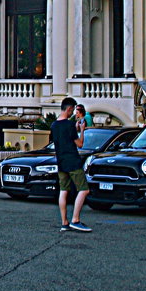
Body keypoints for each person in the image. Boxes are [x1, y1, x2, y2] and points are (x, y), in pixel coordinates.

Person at [52, 96, 90, 232]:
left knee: (64, 191)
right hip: (73, 161)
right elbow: (79, 144)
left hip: (61, 161)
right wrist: (82, 130)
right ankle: (75, 219)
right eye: (72, 110)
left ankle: (64, 222)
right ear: (68, 109)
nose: (73, 112)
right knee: (84, 189)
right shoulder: (69, 125)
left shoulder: (54, 125)